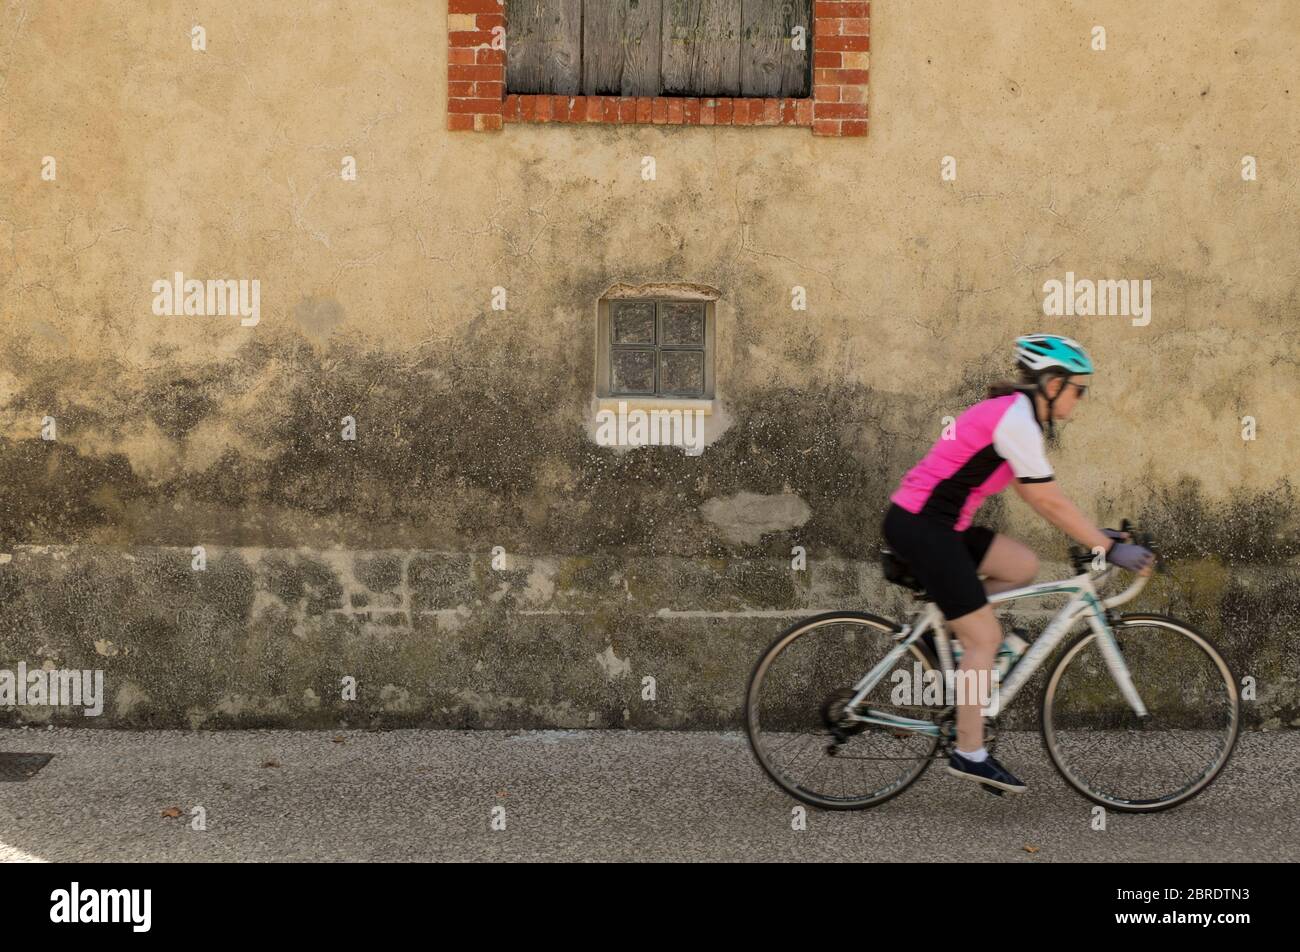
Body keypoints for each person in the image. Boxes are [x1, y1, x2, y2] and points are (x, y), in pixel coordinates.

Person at [881, 334, 1154, 793]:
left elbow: (1035, 492)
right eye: (1078, 389)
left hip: (942, 526)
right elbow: (1048, 501)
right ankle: (970, 753)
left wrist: (1096, 536)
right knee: (985, 637)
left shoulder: (1021, 417)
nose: (1080, 400)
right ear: (1052, 383)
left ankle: (947, 628)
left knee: (1021, 564)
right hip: (921, 525)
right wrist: (1107, 549)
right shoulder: (1016, 419)